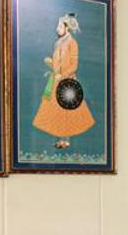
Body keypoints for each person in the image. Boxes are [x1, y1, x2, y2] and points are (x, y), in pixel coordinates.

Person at [32, 13, 95, 149]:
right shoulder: (58, 43)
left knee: (67, 111)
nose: (57, 29)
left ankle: (66, 141)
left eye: (60, 26)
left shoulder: (72, 43)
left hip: (67, 82)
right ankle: (60, 139)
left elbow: (74, 65)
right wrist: (50, 62)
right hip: (56, 80)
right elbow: (57, 63)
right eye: (58, 26)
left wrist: (63, 75)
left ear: (67, 28)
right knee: (56, 111)